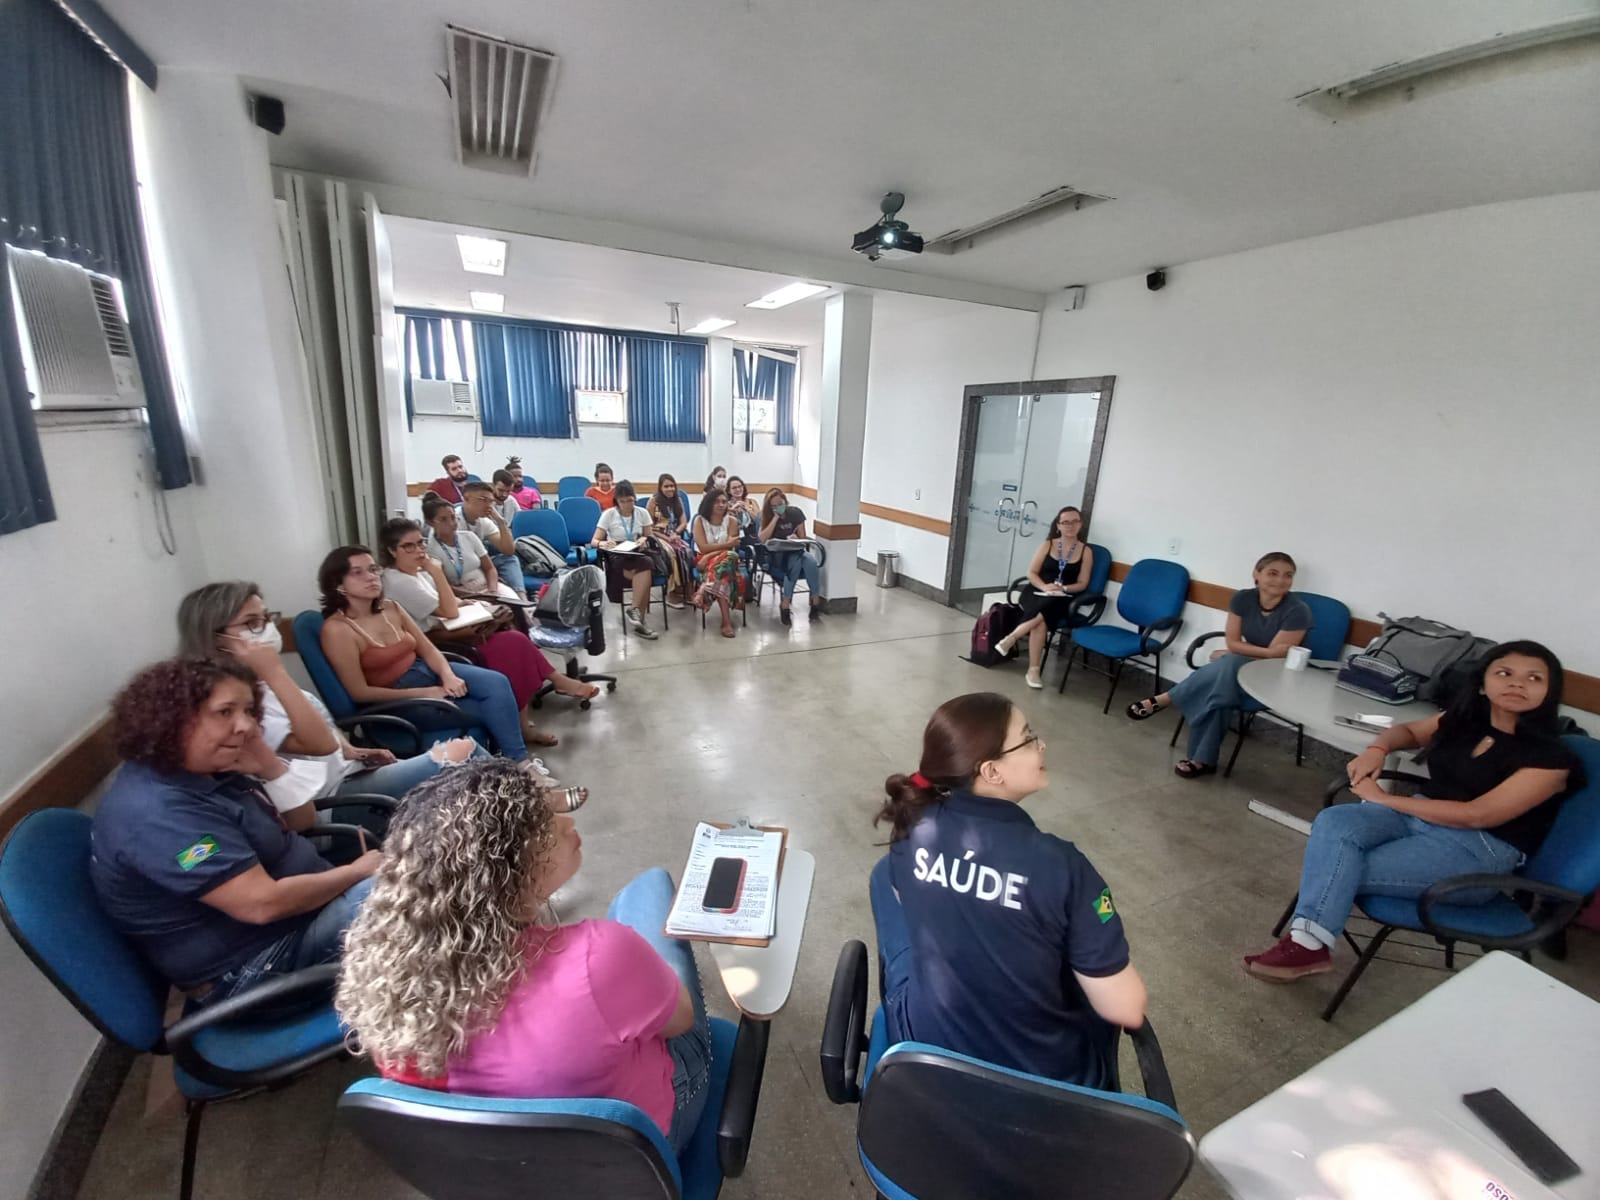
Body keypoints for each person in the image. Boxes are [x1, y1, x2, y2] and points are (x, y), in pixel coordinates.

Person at [336, 760, 713, 1151]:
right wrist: (632, 967)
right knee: (650, 888)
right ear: (508, 867)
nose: (567, 823)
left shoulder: (392, 995)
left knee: (628, 938)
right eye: (546, 822)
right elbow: (681, 1022)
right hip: (641, 1146)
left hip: (507, 1170)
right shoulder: (601, 955)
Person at [1245, 640, 1585, 981]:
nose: (1517, 683)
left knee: (1336, 866)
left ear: (1549, 691)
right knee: (1336, 822)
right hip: (1417, 817)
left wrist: (1385, 799)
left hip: (1478, 851)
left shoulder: (1551, 758)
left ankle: (1307, 945)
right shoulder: (1467, 719)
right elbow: (1407, 731)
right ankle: (1310, 946)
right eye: (1505, 673)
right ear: (1482, 683)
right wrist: (1377, 749)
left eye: (1533, 678)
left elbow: (1478, 815)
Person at [872, 693, 1148, 1088]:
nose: (1042, 745)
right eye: (1029, 737)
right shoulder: (1061, 865)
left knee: (885, 876)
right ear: (991, 771)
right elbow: (1128, 1009)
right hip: (1043, 1087)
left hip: (927, 1059)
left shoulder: (913, 827)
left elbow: (907, 896)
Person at [90, 657, 381, 1009]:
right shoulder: (158, 814)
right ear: (171, 718)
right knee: (429, 896)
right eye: (225, 712)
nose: (245, 725)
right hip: (257, 970)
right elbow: (261, 904)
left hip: (297, 922)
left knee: (433, 882)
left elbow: (303, 821)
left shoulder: (207, 769)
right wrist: (354, 874)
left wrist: (268, 766)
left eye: (247, 710)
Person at [176, 582, 485, 831]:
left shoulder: (258, 682)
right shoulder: (231, 703)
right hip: (331, 803)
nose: (267, 629)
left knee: (474, 787)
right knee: (464, 755)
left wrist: (353, 751)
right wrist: (274, 670)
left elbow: (318, 733)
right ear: (217, 640)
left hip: (349, 774)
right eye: (251, 623)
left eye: (267, 618)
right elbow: (319, 744)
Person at [378, 519, 599, 746]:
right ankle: (549, 691)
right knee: (513, 645)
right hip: (440, 643)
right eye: (409, 546)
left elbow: (453, 602)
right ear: (391, 550)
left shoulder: (417, 573)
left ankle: (539, 704)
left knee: (515, 639)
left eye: (421, 543)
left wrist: (482, 609)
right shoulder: (399, 581)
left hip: (452, 628)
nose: (419, 551)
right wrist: (437, 572)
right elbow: (448, 610)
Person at [317, 545, 534, 763]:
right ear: (338, 584)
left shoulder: (391, 607)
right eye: (358, 572)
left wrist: (447, 674)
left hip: (424, 669)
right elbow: (359, 692)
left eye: (373, 569)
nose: (371, 577)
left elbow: (428, 648)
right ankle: (519, 766)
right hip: (398, 699)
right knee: (489, 708)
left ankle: (518, 763)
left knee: (497, 682)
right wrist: (427, 691)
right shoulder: (337, 630)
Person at [1126, 552, 1311, 779]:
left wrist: (1235, 653)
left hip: (1272, 677)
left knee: (1227, 666)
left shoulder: (1298, 611)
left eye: (1288, 575)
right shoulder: (1242, 599)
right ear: (1257, 574)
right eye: (1272, 573)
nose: (1280, 580)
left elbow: (1272, 658)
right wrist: (1243, 652)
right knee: (1221, 691)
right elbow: (1234, 642)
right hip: (1236, 672)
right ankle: (1201, 760)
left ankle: (1167, 699)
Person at [996, 507, 1095, 689]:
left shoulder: (1086, 551)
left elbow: (1083, 583)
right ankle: (1033, 670)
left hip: (1063, 596)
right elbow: (1031, 572)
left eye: (1075, 521)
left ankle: (1013, 638)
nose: (1070, 526)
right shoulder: (1048, 544)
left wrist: (1062, 587)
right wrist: (1044, 586)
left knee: (1047, 610)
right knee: (1043, 615)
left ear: (1081, 524)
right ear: (1058, 525)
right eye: (1065, 522)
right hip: (1036, 590)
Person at [590, 480, 660, 639]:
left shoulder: (642, 512)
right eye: (623, 501)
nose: (627, 504)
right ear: (617, 501)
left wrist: (644, 539)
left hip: (637, 551)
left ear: (634, 499)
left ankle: (634, 610)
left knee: (646, 562)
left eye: (630, 500)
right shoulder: (609, 514)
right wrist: (603, 543)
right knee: (644, 572)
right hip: (617, 553)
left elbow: (649, 535)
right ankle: (640, 621)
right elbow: (594, 541)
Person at [423, 495, 517, 600]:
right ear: (430, 522)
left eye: (453, 517)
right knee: (499, 613)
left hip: (488, 586)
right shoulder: (431, 551)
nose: (451, 523)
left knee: (518, 607)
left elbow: (490, 568)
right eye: (443, 519)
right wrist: (477, 596)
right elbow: (444, 586)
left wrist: (493, 591)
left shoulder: (469, 536)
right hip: (462, 594)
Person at [758, 487, 823, 626]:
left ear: (785, 502)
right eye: (774, 506)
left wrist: (795, 537)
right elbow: (762, 538)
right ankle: (786, 604)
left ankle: (815, 600)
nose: (778, 508)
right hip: (777, 555)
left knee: (811, 561)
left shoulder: (795, 513)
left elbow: (802, 537)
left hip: (795, 549)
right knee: (795, 563)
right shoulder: (767, 516)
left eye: (780, 504)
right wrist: (775, 518)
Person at [692, 487, 744, 639]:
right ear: (709, 503)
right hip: (713, 562)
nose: (721, 505)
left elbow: (731, 547)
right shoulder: (699, 521)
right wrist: (720, 549)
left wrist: (709, 556)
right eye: (717, 502)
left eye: (724, 501)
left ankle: (704, 589)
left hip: (722, 558)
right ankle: (726, 622)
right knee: (724, 575)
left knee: (729, 557)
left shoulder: (732, 521)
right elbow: (702, 547)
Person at [460, 480, 526, 597]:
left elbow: (508, 550)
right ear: (467, 498)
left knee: (510, 559)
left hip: (481, 563)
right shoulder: (454, 521)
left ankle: (522, 599)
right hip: (465, 568)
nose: (488, 505)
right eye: (483, 500)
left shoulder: (483, 521)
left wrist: (501, 522)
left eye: (491, 501)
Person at [647, 474, 695, 608]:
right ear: (660, 488)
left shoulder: (677, 500)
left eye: (672, 486)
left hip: (674, 534)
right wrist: (667, 538)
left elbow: (683, 522)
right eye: (666, 486)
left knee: (687, 551)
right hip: (658, 535)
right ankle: (672, 593)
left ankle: (687, 592)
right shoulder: (653, 501)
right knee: (671, 554)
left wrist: (676, 533)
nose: (670, 489)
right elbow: (648, 527)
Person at [725, 475, 758, 541]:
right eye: (734, 488)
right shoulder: (726, 505)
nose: (738, 489)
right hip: (734, 536)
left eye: (740, 486)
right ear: (729, 491)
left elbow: (758, 520)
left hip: (753, 535)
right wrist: (733, 509)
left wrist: (747, 508)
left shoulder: (752, 502)